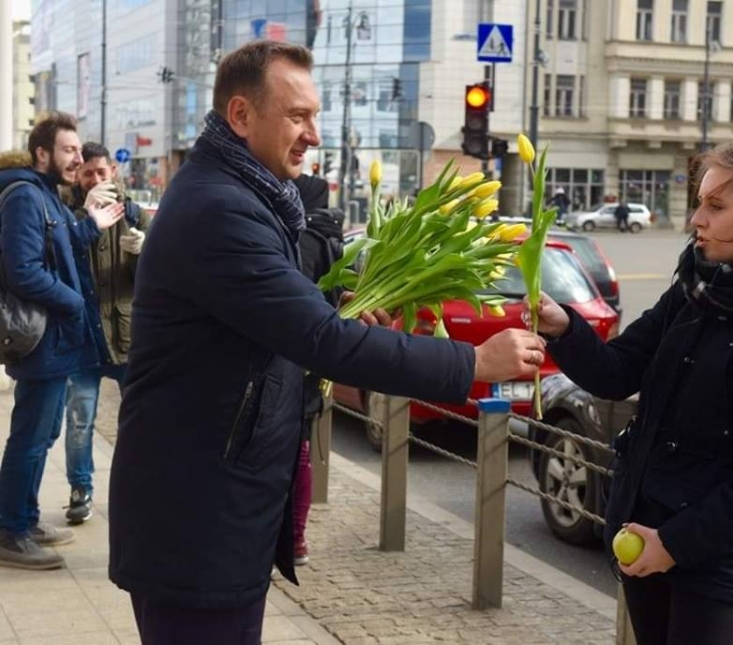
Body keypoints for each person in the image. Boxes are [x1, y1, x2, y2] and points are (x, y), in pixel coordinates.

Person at [107, 40, 545, 644]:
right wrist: (471, 361)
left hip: (211, 505)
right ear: (241, 115)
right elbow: (319, 341)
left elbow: (271, 317)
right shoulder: (220, 208)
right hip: (196, 516)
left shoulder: (246, 194)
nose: (313, 135)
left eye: (314, 115)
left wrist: (330, 305)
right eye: (297, 116)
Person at [531, 141, 733, 645]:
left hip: (716, 563)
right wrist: (563, 326)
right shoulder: (699, 285)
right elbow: (617, 372)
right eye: (699, 202)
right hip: (641, 533)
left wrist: (674, 543)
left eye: (716, 206)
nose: (696, 220)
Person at [0, 112, 124, 570]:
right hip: (42, 339)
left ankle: (25, 518)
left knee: (45, 431)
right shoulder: (24, 196)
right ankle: (10, 531)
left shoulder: (47, 194)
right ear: (42, 153)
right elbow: (23, 270)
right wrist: (72, 301)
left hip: (56, 339)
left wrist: (89, 224)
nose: (78, 157)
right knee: (31, 437)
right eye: (69, 150)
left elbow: (64, 245)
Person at [62, 142, 153, 525]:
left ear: (113, 171)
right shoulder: (68, 215)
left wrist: (143, 251)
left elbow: (157, 281)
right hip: (83, 337)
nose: (96, 179)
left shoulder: (135, 214)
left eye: (102, 172)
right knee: (80, 420)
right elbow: (58, 263)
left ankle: (140, 490)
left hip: (128, 337)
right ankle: (80, 489)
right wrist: (84, 218)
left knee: (139, 421)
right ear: (79, 176)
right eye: (88, 174)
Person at [290, 171, 340, 566]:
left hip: (290, 361)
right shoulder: (331, 239)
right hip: (313, 365)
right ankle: (296, 538)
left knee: (287, 455)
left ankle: (287, 537)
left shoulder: (300, 239)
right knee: (301, 453)